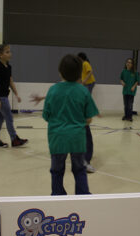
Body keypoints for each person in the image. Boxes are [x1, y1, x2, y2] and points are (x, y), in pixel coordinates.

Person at [43, 54, 99, 195]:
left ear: (60, 71)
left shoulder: (53, 90)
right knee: (79, 169)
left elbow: (46, 116)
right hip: (77, 139)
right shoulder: (83, 91)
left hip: (57, 138)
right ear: (80, 72)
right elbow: (89, 119)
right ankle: (82, 195)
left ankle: (58, 195)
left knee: (56, 171)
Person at [0, 44, 28, 148]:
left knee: (0, 118)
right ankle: (14, 139)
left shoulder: (8, 66)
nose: (9, 54)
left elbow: (10, 81)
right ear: (0, 55)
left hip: (4, 96)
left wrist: (16, 94)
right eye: (7, 52)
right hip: (0, 97)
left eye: (9, 51)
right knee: (9, 118)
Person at [78, 52, 96, 173]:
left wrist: (84, 80)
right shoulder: (81, 64)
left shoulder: (85, 63)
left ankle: (84, 160)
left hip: (89, 83)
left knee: (85, 99)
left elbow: (90, 71)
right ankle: (84, 160)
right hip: (86, 83)